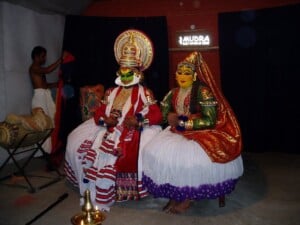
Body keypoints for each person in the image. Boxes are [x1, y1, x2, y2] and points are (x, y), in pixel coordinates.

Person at [64, 29, 162, 211]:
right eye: (122, 70)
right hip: (107, 128)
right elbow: (99, 111)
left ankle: (123, 189)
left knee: (136, 153)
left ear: (137, 72)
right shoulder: (110, 92)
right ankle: (90, 187)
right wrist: (104, 120)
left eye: (129, 71)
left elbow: (157, 114)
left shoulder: (145, 93)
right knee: (75, 140)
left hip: (131, 129)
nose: (125, 74)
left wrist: (138, 120)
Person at [142, 51, 244, 214]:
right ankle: (176, 194)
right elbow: (162, 115)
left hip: (201, 133)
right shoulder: (172, 93)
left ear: (194, 76)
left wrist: (183, 122)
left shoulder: (203, 92)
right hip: (176, 132)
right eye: (180, 73)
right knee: (156, 154)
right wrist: (168, 116)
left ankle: (188, 197)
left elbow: (210, 120)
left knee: (187, 162)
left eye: (187, 73)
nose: (182, 76)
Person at [29, 46, 64, 153]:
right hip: (39, 98)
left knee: (51, 122)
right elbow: (48, 70)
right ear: (36, 56)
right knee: (43, 124)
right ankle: (41, 151)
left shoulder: (38, 69)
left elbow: (45, 85)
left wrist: (56, 84)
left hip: (44, 96)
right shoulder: (33, 68)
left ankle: (48, 150)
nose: (44, 59)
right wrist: (61, 60)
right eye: (43, 56)